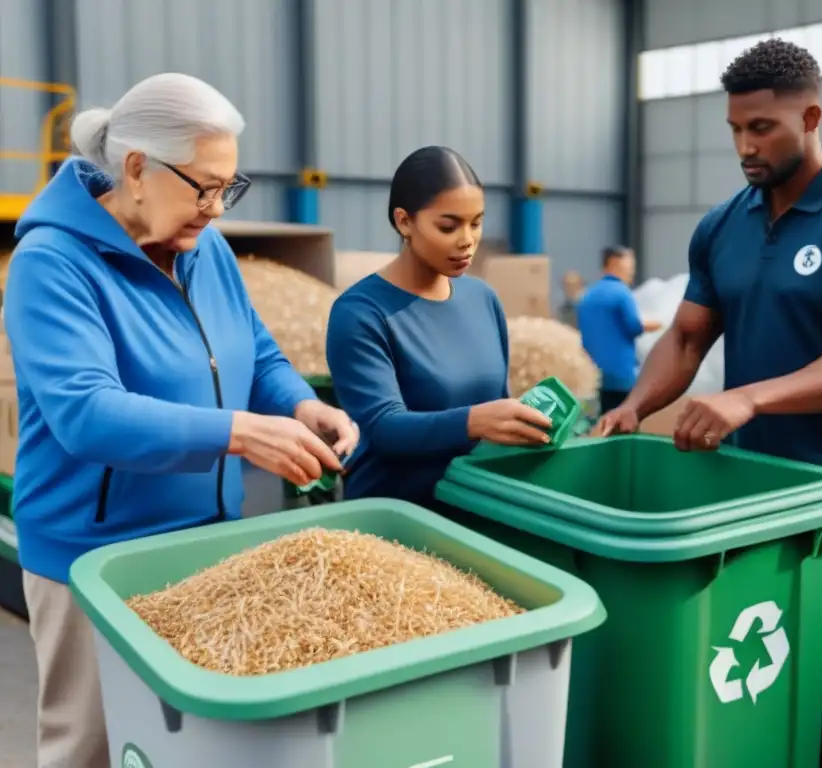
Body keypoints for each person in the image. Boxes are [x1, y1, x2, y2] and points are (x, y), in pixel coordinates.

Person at [3, 73, 359, 768]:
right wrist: (241, 432)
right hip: (91, 560)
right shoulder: (51, 264)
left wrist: (298, 403)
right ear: (136, 168)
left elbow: (253, 349)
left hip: (203, 545)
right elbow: (86, 413)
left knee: (183, 745)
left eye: (230, 186)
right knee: (92, 746)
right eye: (203, 185)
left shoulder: (204, 248)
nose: (217, 207)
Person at [596, 39, 822, 485]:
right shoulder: (721, 225)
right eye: (736, 129)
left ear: (811, 119)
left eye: (762, 128)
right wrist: (634, 406)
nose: (745, 146)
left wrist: (748, 398)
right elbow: (688, 339)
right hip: (744, 472)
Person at [326, 146, 552, 511]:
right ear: (404, 222)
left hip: (476, 505)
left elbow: (498, 396)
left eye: (476, 223)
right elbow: (384, 428)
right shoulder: (361, 313)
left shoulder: (482, 299)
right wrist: (474, 421)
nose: (467, 240)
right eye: (448, 226)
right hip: (395, 520)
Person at [577, 246, 662, 415]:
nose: (631, 273)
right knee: (623, 424)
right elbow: (633, 326)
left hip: (593, 376)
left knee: (601, 423)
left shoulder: (587, 296)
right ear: (614, 264)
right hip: (621, 375)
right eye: (629, 268)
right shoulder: (622, 293)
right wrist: (658, 325)